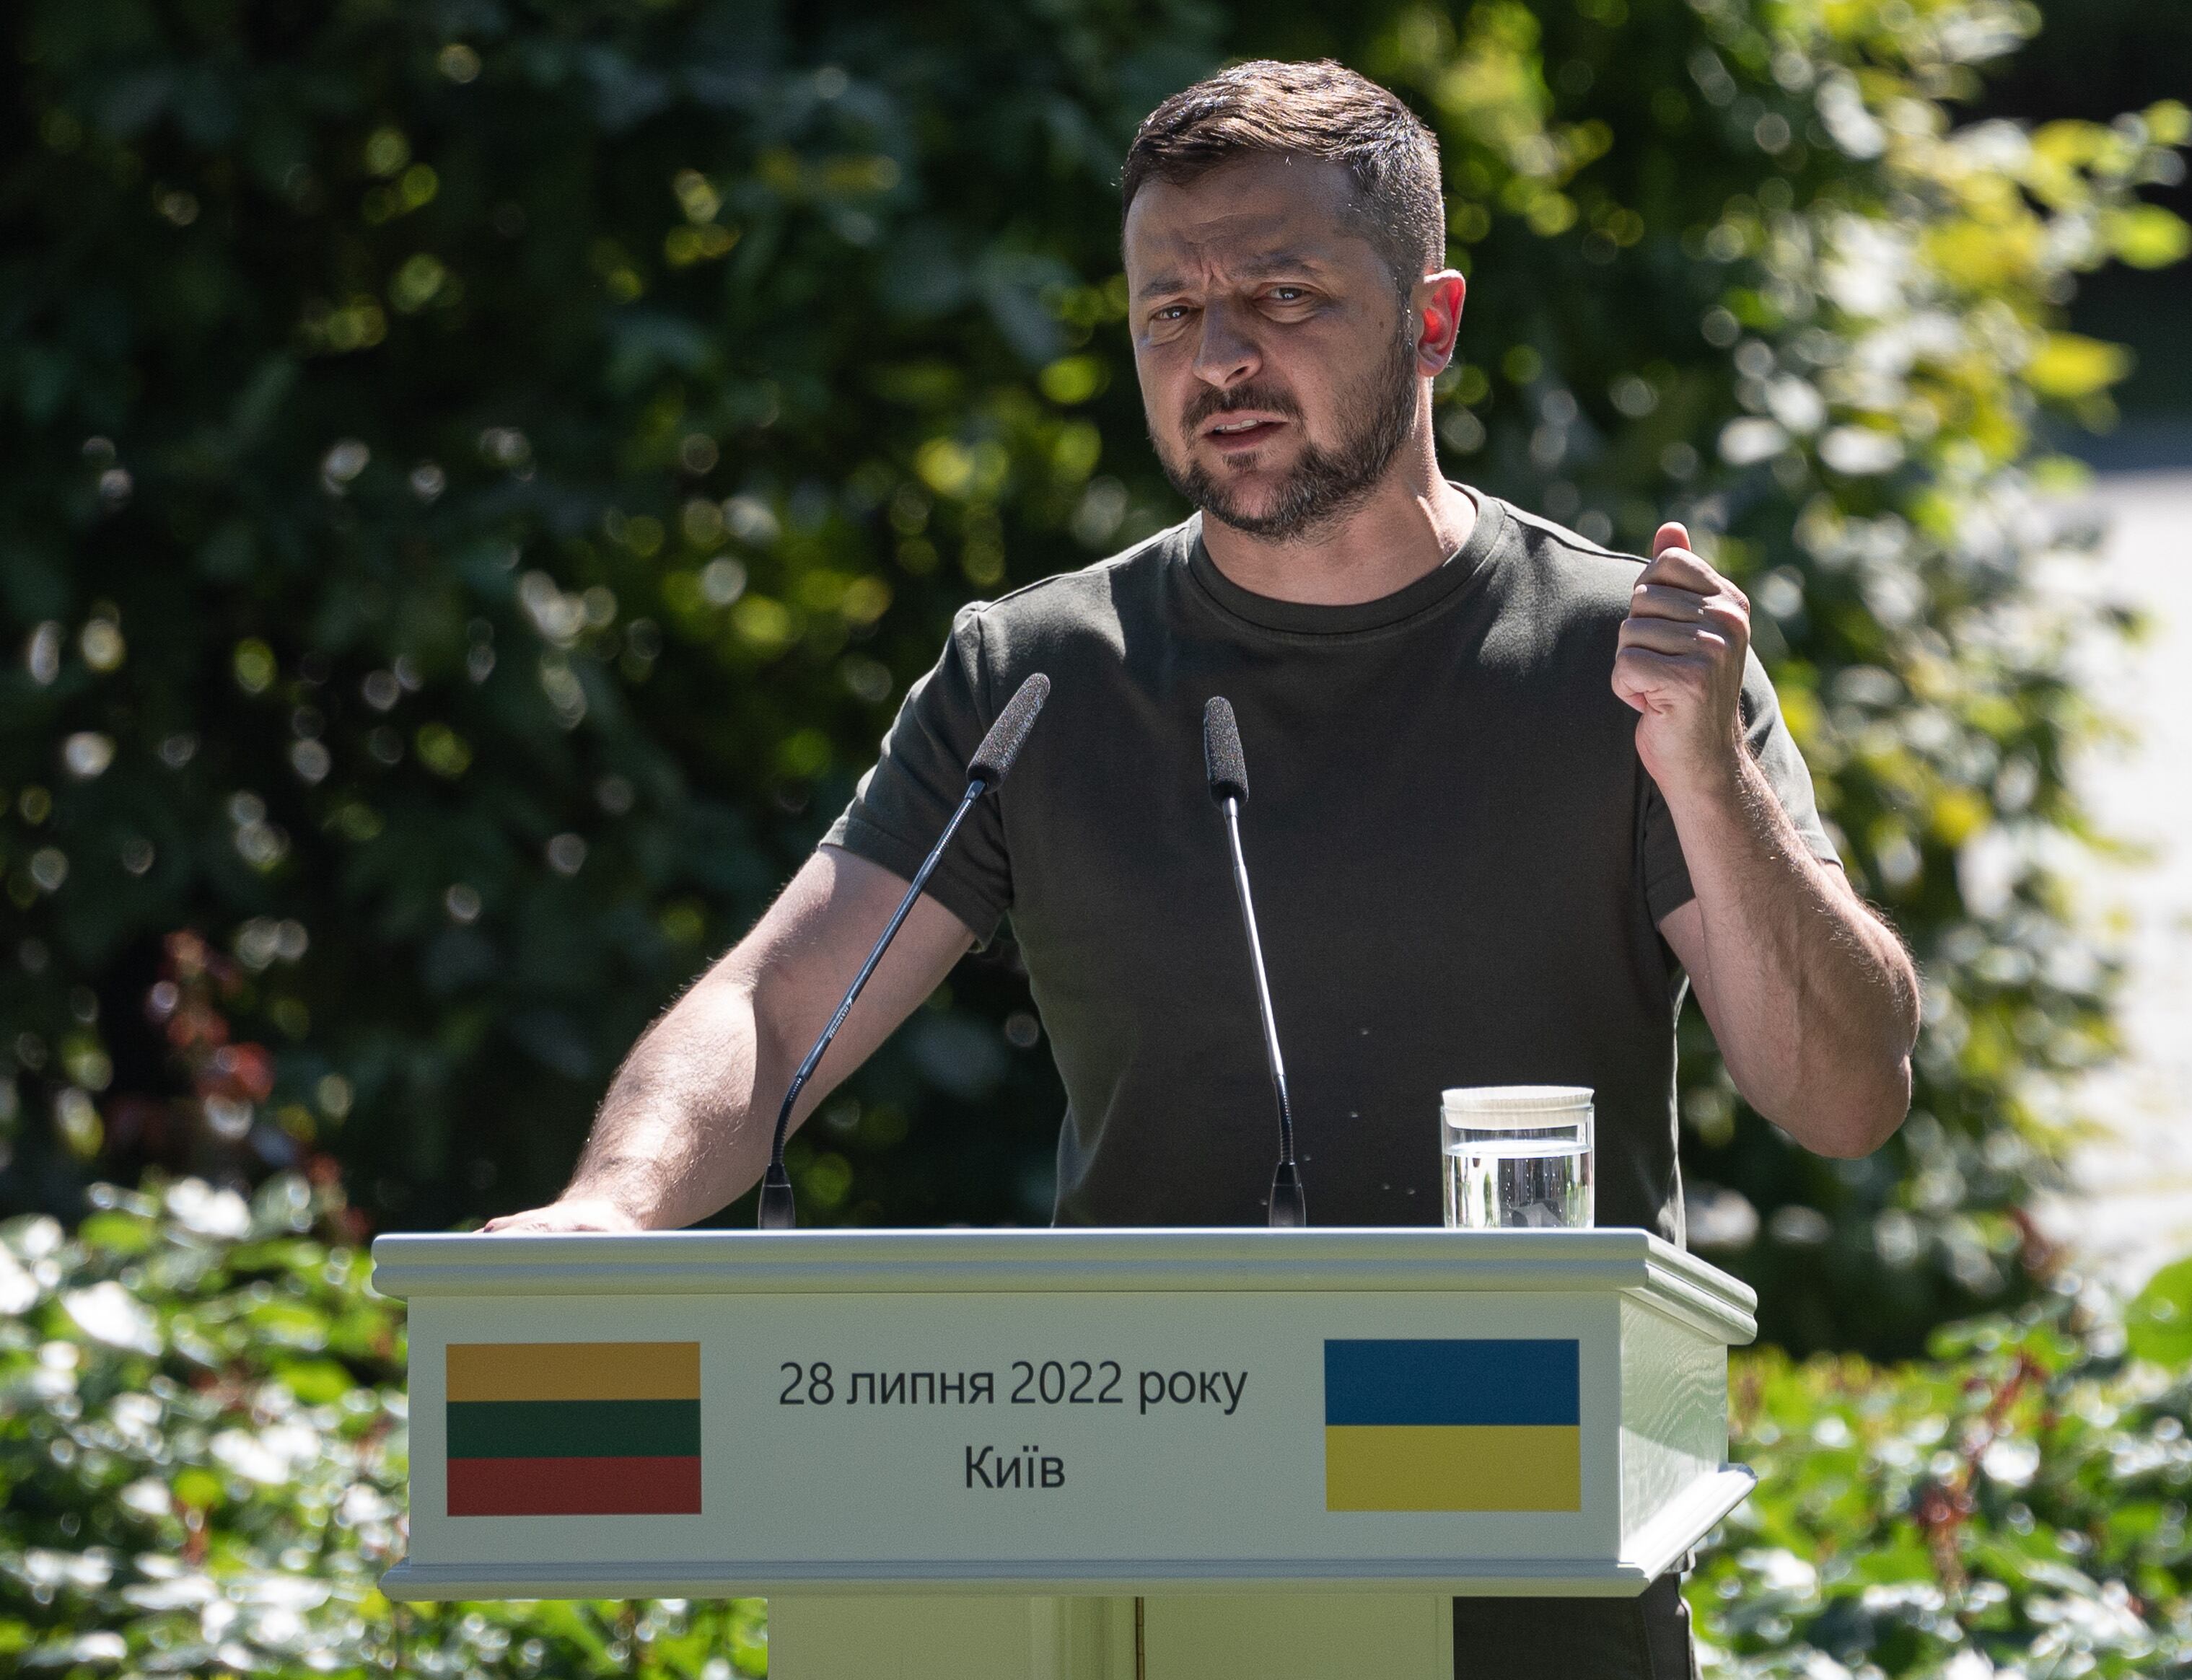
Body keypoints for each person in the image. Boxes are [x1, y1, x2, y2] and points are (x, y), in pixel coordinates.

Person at [488, 58, 1919, 1679]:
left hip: (1531, 1602)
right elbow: (773, 1000)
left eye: (1281, 295)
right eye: (1167, 313)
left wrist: (1705, 774)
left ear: (1433, 320)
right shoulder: (1037, 675)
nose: (1219, 357)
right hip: (1137, 1594)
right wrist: (610, 1211)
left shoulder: (1622, 661)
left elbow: (1846, 1097)